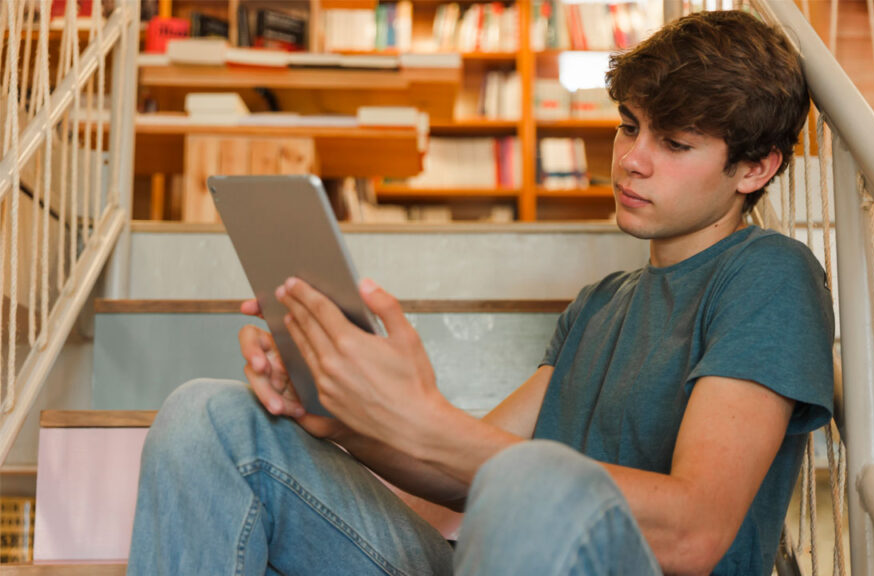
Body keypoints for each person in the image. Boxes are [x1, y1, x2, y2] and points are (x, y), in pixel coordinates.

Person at [128, 10, 833, 576]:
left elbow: (693, 533)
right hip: (488, 554)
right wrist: (344, 416)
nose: (632, 158)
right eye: (628, 125)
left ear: (755, 167)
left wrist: (421, 414)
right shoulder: (601, 302)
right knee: (207, 418)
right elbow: (463, 477)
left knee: (535, 481)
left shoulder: (770, 274)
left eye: (675, 144)